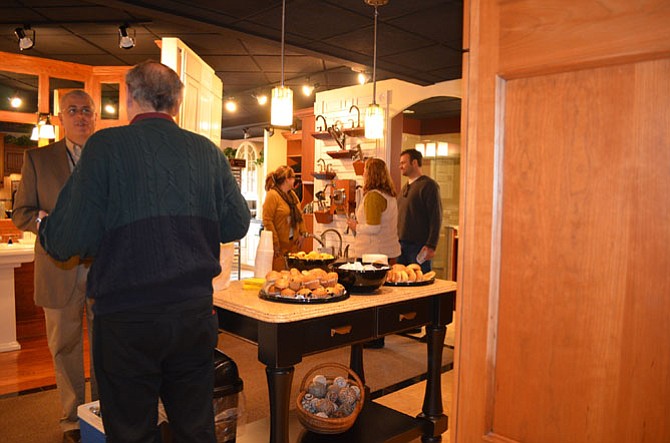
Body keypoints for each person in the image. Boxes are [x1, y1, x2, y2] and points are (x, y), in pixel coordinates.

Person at [38, 60, 251, 443]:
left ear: (129, 97)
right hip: (192, 316)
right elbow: (237, 224)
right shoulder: (207, 152)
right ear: (178, 102)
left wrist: (45, 228)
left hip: (126, 319)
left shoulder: (105, 146)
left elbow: (67, 240)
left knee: (133, 430)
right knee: (195, 428)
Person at [12, 89, 97, 443]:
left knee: (108, 344)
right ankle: (72, 420)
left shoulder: (108, 156)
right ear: (61, 118)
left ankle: (102, 413)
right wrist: (43, 224)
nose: (80, 116)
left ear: (95, 116)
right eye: (72, 110)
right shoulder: (37, 159)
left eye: (86, 110)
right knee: (64, 348)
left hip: (103, 270)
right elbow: (21, 213)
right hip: (57, 269)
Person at [346, 157, 400, 262]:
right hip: (388, 251)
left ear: (370, 174)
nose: (363, 174)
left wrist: (355, 226)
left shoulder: (373, 196)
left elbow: (374, 228)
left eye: (365, 170)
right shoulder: (389, 195)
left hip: (372, 254)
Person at [397, 148, 442, 273]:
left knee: (420, 283)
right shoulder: (404, 188)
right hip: (401, 247)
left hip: (418, 247)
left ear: (414, 163)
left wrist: (431, 245)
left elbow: (436, 217)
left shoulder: (428, 186)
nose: (400, 166)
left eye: (403, 163)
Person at [262, 165, 307, 270]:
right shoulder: (272, 195)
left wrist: (303, 233)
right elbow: (267, 221)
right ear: (287, 179)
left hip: (294, 244)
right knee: (279, 276)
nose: (294, 180)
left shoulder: (292, 195)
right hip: (280, 247)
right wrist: (275, 242)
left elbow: (299, 214)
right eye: (293, 178)